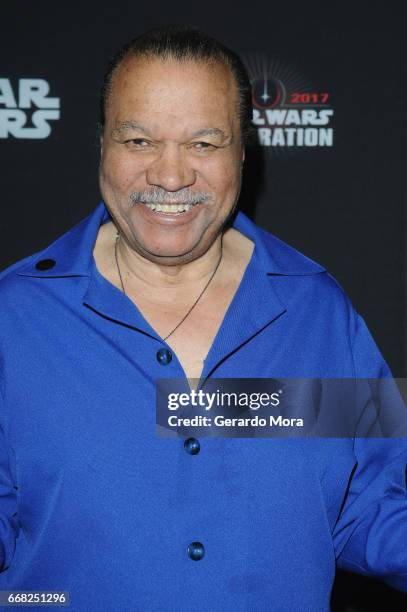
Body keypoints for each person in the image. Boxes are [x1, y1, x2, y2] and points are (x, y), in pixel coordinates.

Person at [0, 25, 406, 611]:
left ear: (242, 151)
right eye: (139, 141)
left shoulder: (318, 308)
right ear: (103, 144)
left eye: (203, 143)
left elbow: (371, 502)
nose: (170, 176)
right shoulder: (16, 317)